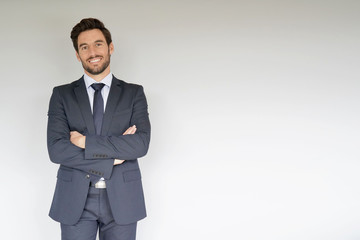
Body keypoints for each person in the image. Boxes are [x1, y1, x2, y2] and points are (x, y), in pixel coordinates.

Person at [47, 18, 151, 240]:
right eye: (84, 47)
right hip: (75, 200)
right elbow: (57, 150)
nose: (92, 52)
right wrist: (111, 159)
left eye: (98, 44)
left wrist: (84, 142)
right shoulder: (61, 95)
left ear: (110, 47)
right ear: (78, 54)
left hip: (123, 199)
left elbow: (140, 144)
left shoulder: (134, 93)